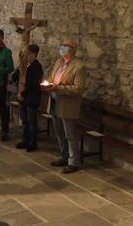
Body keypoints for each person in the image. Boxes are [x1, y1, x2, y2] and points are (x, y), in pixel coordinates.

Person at [43, 39, 86, 174]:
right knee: (59, 133)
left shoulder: (79, 66)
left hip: (68, 105)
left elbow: (78, 88)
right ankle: (64, 156)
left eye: (66, 46)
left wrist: (58, 88)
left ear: (73, 49)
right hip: (55, 102)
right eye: (62, 45)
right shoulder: (58, 62)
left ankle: (73, 162)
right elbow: (51, 78)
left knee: (70, 134)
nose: (63, 47)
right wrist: (48, 84)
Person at [11, 44, 43, 152]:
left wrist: (22, 94)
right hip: (22, 97)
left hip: (31, 98)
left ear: (34, 54)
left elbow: (33, 85)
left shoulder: (36, 67)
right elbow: (15, 77)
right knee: (24, 120)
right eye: (25, 54)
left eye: (28, 54)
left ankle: (33, 142)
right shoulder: (24, 65)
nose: (26, 56)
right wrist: (18, 70)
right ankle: (25, 140)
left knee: (31, 121)